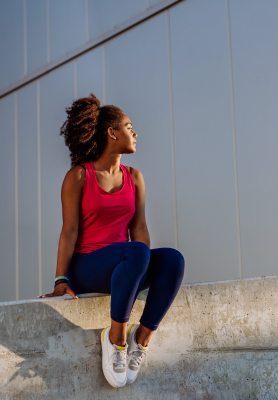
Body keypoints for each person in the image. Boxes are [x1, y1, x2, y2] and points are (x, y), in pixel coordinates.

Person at [37, 93, 185, 388]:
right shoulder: (79, 176)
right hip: (88, 267)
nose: (135, 133)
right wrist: (60, 279)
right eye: (129, 127)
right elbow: (69, 230)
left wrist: (142, 264)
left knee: (171, 260)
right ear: (112, 132)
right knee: (136, 253)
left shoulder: (134, 177)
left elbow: (139, 227)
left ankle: (140, 338)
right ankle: (115, 337)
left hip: (128, 266)